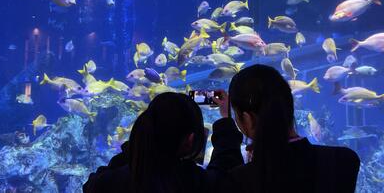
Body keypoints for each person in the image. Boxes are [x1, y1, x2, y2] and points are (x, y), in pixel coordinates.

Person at [214, 64, 360, 193]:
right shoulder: (343, 161)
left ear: (248, 119)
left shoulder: (239, 181)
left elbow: (222, 177)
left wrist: (226, 122)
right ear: (289, 104)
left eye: (238, 116)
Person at [83, 92, 243, 193]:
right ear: (190, 141)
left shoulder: (107, 183)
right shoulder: (194, 183)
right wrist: (226, 120)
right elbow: (226, 171)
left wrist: (137, 148)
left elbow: (96, 182)